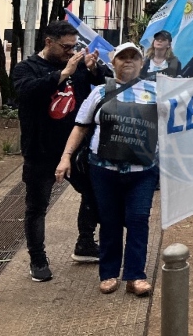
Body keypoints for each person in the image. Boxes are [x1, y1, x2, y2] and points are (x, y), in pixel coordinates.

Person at [56, 42, 157, 296]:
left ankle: (135, 276)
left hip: (142, 172)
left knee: (138, 219)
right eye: (123, 57)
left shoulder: (157, 92)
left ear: (142, 63)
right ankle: (109, 273)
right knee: (109, 221)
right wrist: (65, 158)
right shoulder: (100, 92)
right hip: (104, 170)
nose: (129, 62)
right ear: (113, 62)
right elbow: (81, 126)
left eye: (134, 57)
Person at [13, 21, 106, 282]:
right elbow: (26, 92)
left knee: (93, 194)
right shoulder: (26, 68)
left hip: (73, 150)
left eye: (73, 46)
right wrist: (63, 73)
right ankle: (38, 259)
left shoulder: (76, 66)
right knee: (36, 207)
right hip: (40, 152)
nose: (70, 51)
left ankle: (85, 243)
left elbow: (99, 86)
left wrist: (93, 68)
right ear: (49, 42)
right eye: (65, 47)